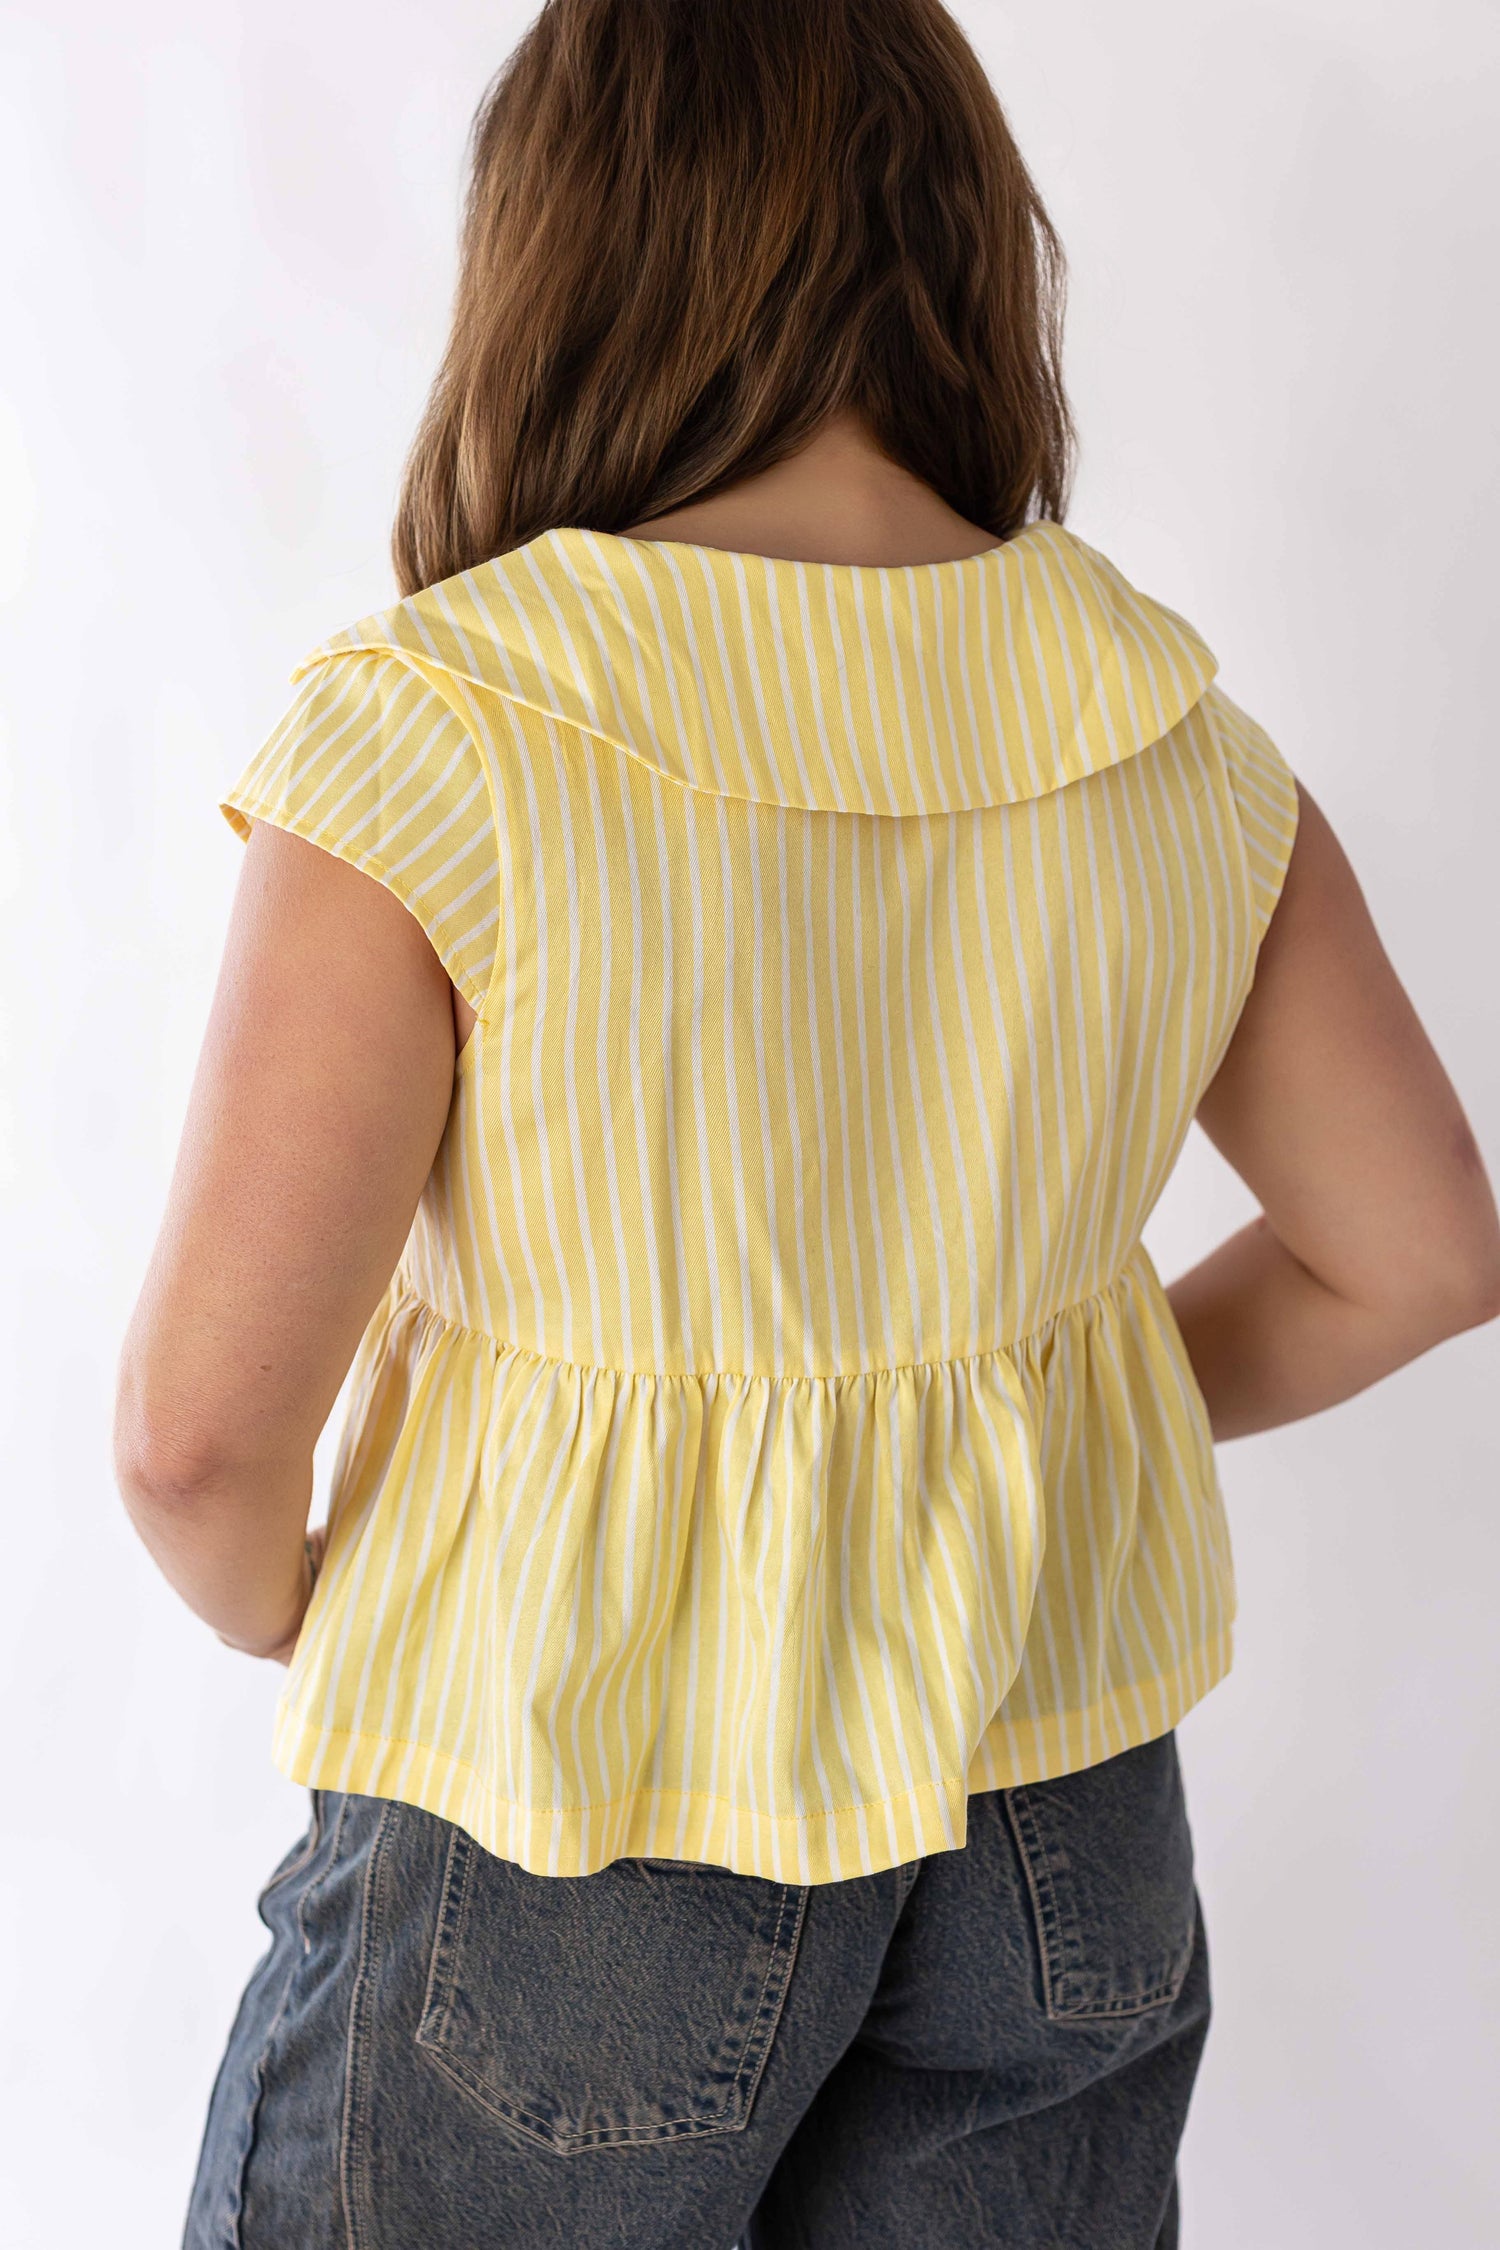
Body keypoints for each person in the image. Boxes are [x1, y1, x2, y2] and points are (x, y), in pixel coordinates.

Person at [113, 3, 1500, 2245]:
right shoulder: (1161, 728)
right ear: (963, 249)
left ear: (568, 248)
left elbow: (197, 1437)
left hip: (564, 1802)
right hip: (1063, 1828)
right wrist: (1046, 1418)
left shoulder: (449, 727)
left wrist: (326, 1599)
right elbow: (1421, 1247)